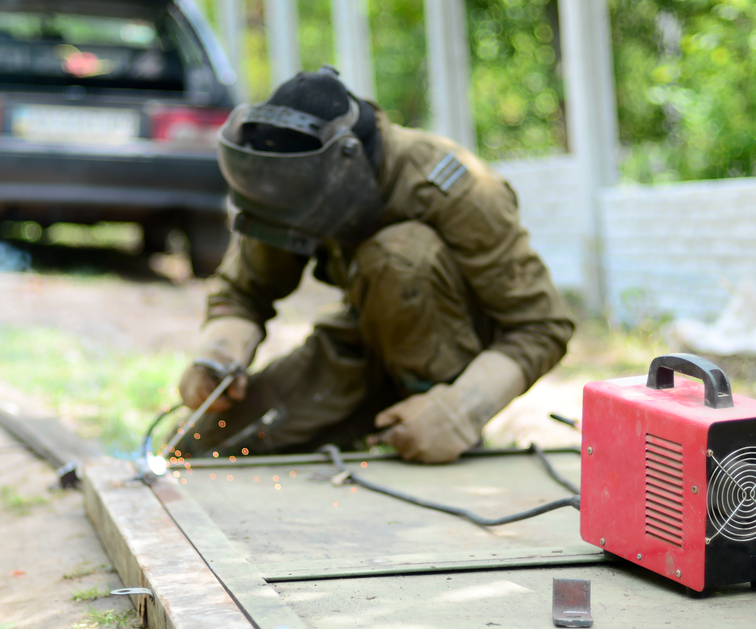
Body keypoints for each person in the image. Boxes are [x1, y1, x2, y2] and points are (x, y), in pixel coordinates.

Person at [176, 66, 574, 464]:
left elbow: (541, 325)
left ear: (346, 169)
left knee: (399, 254)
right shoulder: (290, 177)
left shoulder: (454, 187)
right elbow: (245, 292)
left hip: (451, 359)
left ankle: (438, 431)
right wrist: (218, 355)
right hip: (363, 340)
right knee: (205, 449)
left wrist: (459, 410)